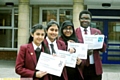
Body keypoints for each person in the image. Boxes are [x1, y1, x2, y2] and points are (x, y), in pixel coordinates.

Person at [75, 10, 106, 80]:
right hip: (81, 67)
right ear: (79, 19)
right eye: (83, 18)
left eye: (87, 18)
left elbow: (103, 49)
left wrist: (99, 40)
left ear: (90, 20)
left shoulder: (97, 32)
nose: (85, 20)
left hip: (95, 67)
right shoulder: (75, 32)